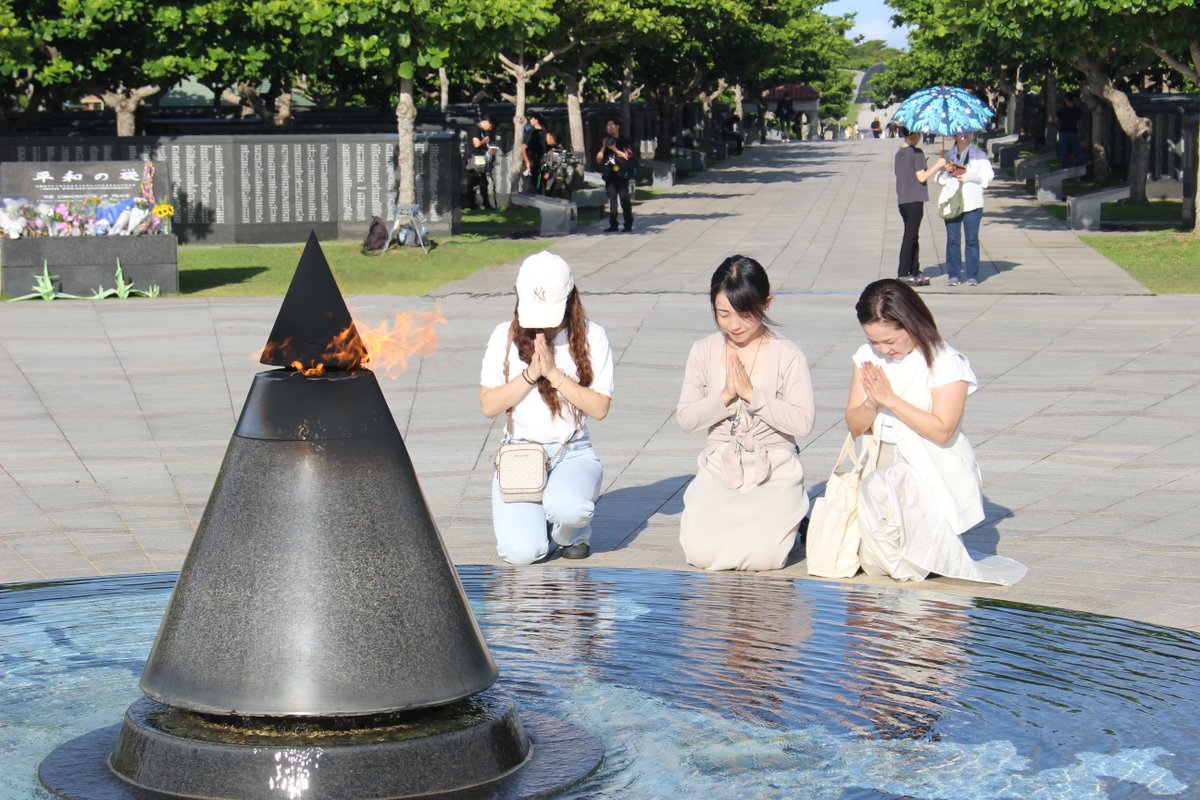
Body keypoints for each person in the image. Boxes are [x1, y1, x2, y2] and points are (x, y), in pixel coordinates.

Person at [844, 279, 1027, 586]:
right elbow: (854, 424)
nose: (883, 350)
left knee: (915, 565)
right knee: (878, 563)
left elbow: (943, 430)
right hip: (882, 459)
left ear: (911, 323)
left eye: (890, 341)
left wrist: (891, 400)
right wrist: (873, 403)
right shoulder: (866, 357)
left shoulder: (944, 361)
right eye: (874, 341)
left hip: (927, 463)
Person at [677, 255, 816, 571]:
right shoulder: (703, 350)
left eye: (744, 313)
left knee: (765, 557)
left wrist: (754, 396)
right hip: (720, 462)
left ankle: (792, 524)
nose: (733, 324)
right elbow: (686, 418)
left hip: (774, 463)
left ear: (766, 303)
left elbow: (803, 422)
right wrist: (726, 395)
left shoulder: (788, 354)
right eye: (723, 314)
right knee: (700, 553)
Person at [479, 251, 615, 565]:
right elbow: (489, 405)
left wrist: (554, 374)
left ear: (569, 300)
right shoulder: (504, 336)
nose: (542, 327)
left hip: (573, 452)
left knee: (569, 508)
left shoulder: (593, 336)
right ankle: (541, 520)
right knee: (521, 554)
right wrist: (531, 374)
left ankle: (570, 533)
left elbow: (599, 408)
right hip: (521, 454)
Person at [933, 131, 994, 286]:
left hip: (972, 202)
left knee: (972, 240)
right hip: (953, 201)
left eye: (967, 133)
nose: (964, 136)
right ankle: (953, 274)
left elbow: (988, 177)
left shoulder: (979, 155)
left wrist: (968, 176)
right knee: (953, 240)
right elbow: (938, 180)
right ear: (954, 135)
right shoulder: (948, 155)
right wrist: (946, 172)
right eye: (961, 133)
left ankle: (972, 275)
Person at [894, 127, 947, 287]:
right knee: (910, 236)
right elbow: (921, 176)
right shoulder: (916, 152)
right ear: (915, 134)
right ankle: (904, 272)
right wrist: (938, 164)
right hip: (914, 199)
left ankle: (914, 269)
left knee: (912, 235)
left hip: (903, 200)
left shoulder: (899, 153)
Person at [594, 117, 634, 232]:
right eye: (608, 126)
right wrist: (603, 147)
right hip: (610, 175)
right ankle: (613, 224)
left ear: (617, 127)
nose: (610, 128)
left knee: (624, 199)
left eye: (612, 125)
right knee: (612, 201)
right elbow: (598, 159)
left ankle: (628, 224)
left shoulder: (624, 141)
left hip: (621, 174)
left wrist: (614, 148)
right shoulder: (606, 141)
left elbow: (627, 156)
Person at [466, 116, 497, 209]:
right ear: (487, 122)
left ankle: (485, 203)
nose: (490, 129)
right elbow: (476, 144)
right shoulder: (476, 129)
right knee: (474, 181)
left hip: (480, 156)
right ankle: (472, 204)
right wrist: (484, 140)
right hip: (475, 158)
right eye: (490, 126)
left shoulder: (481, 131)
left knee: (483, 181)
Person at [521, 113, 548, 193]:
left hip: (539, 159)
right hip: (531, 158)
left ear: (537, 120)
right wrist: (527, 161)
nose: (530, 120)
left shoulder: (543, 132)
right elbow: (524, 147)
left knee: (539, 183)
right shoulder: (531, 132)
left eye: (532, 119)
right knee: (529, 183)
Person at [1055, 94, 1085, 169]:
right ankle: (1080, 167)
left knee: (1063, 151)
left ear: (1066, 100)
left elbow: (1056, 120)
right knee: (1076, 151)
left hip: (1063, 132)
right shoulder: (1077, 110)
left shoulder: (1061, 110)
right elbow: (1080, 119)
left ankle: (1064, 167)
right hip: (1073, 132)